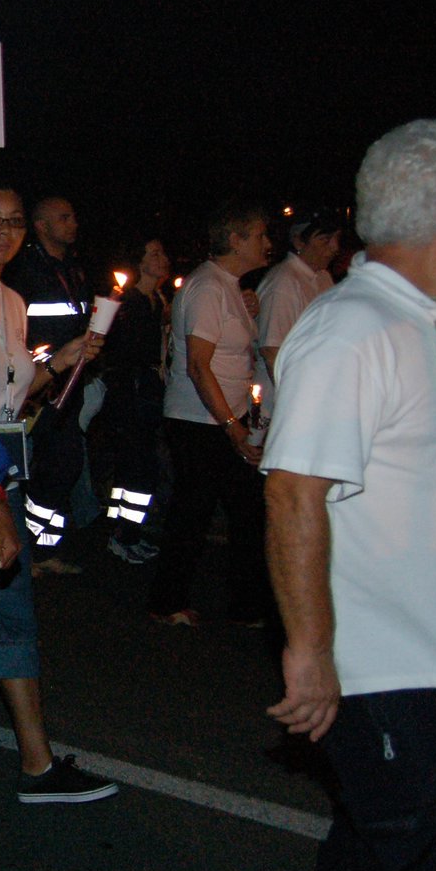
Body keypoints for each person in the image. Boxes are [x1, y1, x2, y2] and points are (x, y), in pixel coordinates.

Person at [263, 119, 436, 871]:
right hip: (376, 664)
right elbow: (293, 490)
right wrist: (311, 652)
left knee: (385, 846)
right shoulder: (351, 325)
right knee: (426, 851)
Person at [0, 187, 117, 805]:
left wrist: (61, 361)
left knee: (12, 614)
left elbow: (12, 391)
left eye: (14, 221)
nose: (4, 231)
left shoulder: (12, 300)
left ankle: (37, 764)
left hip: (4, 475)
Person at [147, 200, 273, 626]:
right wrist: (233, 427)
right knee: (195, 511)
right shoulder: (208, 287)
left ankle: (245, 603)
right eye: (259, 235)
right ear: (235, 240)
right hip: (200, 421)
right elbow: (199, 365)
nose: (267, 243)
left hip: (219, 418)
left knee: (242, 510)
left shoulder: (228, 287)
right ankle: (168, 602)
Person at [3, 196, 92, 570]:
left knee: (62, 466)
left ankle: (45, 549)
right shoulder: (23, 269)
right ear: (40, 225)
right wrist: (42, 366)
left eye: (73, 215)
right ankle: (25, 548)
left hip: (71, 383)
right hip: (37, 389)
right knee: (32, 468)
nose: (73, 223)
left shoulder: (74, 269)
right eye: (64, 216)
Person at [101, 236, 171, 563]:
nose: (162, 258)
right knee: (138, 468)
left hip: (146, 393)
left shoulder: (156, 300)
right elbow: (122, 353)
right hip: (132, 395)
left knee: (135, 468)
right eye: (153, 253)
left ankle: (126, 532)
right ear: (139, 263)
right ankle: (123, 536)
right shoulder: (130, 303)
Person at [253, 205, 341, 419]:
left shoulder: (322, 278)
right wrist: (297, 402)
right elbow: (271, 351)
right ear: (299, 241)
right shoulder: (284, 282)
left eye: (336, 239)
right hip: (281, 406)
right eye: (325, 240)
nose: (334, 248)